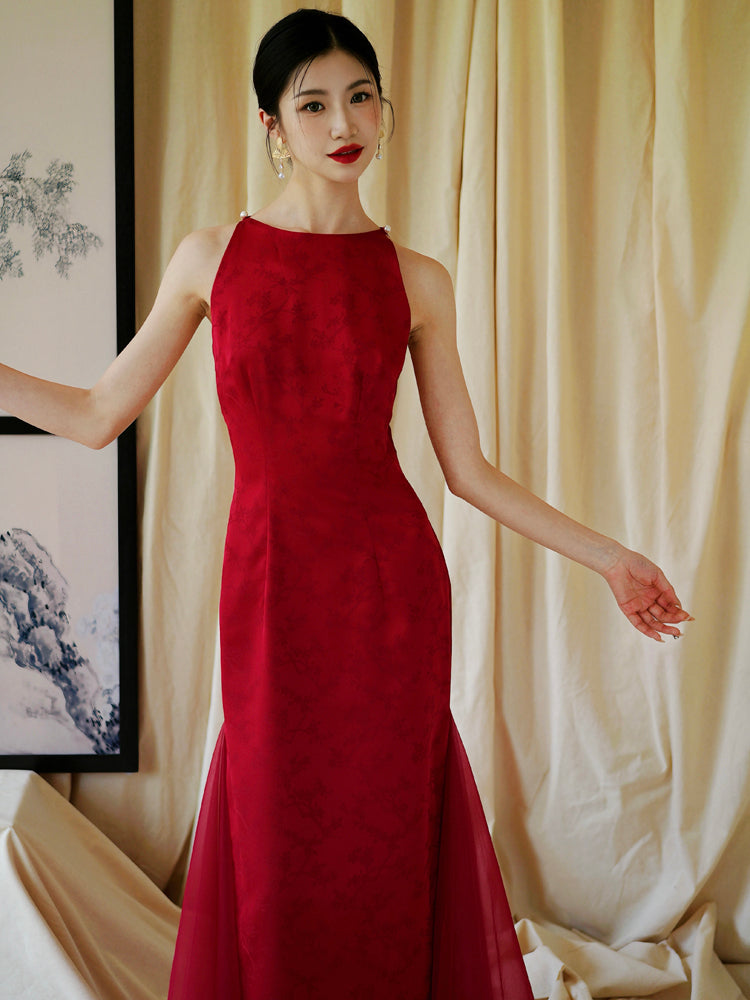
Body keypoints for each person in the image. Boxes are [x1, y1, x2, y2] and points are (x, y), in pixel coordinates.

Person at [0, 9, 692, 999]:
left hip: (388, 596)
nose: (342, 123)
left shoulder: (416, 280)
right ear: (272, 124)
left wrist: (612, 559)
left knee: (383, 845)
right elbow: (96, 413)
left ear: (382, 107)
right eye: (313, 103)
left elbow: (469, 471)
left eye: (360, 97)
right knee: (277, 845)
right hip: (270, 587)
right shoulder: (210, 258)